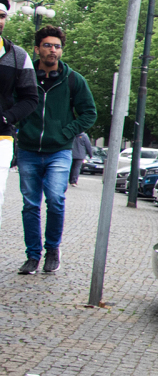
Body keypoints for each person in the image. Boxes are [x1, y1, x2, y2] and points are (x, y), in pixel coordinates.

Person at [15, 25, 97, 274]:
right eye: (48, 45)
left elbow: (89, 113)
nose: (53, 50)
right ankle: (32, 256)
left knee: (55, 200)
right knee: (30, 205)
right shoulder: (25, 77)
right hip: (28, 150)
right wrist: (20, 128)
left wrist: (65, 132)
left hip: (59, 151)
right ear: (37, 48)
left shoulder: (73, 79)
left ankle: (52, 250)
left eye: (58, 46)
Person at [0, 0, 39, 238]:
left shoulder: (17, 56)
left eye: (2, 16)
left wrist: (7, 117)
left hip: (1, 138)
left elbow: (30, 98)